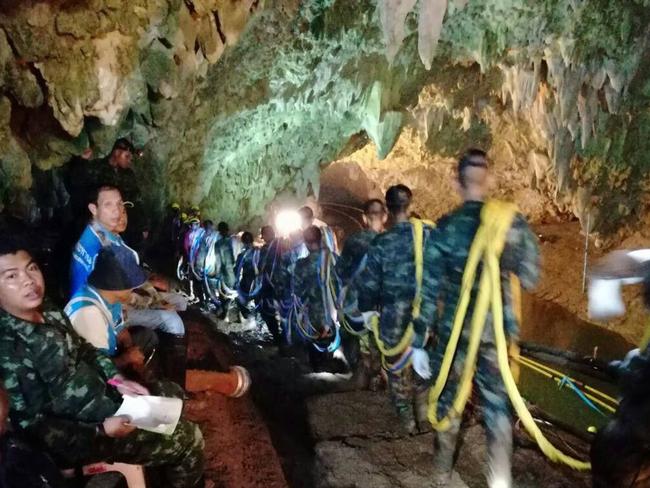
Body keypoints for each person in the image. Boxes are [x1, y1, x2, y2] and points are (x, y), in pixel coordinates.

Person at [0, 237, 205, 487]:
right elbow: (31, 427)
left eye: (31, 268)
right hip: (83, 436)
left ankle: (162, 467)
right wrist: (101, 430)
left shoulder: (48, 310)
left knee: (173, 399)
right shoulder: (9, 348)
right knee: (190, 440)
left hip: (106, 399)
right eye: (11, 276)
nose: (28, 281)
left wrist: (116, 379)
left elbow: (84, 349)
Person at [425, 149, 540, 487]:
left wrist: (418, 341)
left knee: (449, 400)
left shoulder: (444, 228)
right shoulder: (511, 222)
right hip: (497, 332)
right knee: (497, 406)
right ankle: (500, 480)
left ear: (455, 182)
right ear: (488, 178)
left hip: (455, 334)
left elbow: (429, 291)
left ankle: (442, 473)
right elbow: (531, 277)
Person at [350, 185, 435, 433]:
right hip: (423, 317)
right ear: (410, 206)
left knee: (397, 373)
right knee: (424, 369)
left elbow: (369, 284)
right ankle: (425, 416)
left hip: (392, 319)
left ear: (387, 210)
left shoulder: (381, 243)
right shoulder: (427, 236)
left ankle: (407, 421)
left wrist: (366, 311)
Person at [65, 245, 152, 377]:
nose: (133, 288)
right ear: (115, 285)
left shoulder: (109, 297)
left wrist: (130, 350)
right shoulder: (90, 313)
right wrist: (127, 359)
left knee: (147, 336)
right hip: (88, 378)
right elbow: (94, 370)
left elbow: (120, 329)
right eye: (130, 284)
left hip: (107, 353)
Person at [336, 199, 387, 389]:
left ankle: (364, 375)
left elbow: (340, 271)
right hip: (384, 306)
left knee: (357, 339)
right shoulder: (391, 242)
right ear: (385, 216)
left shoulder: (353, 241)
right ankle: (379, 375)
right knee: (382, 343)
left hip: (357, 305)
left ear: (364, 218)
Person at [257, 226, 283, 346]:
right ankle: (284, 337)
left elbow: (261, 267)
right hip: (284, 285)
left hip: (270, 284)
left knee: (266, 311)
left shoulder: (266, 249)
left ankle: (277, 337)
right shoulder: (283, 245)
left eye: (264, 236)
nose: (263, 239)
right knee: (284, 312)